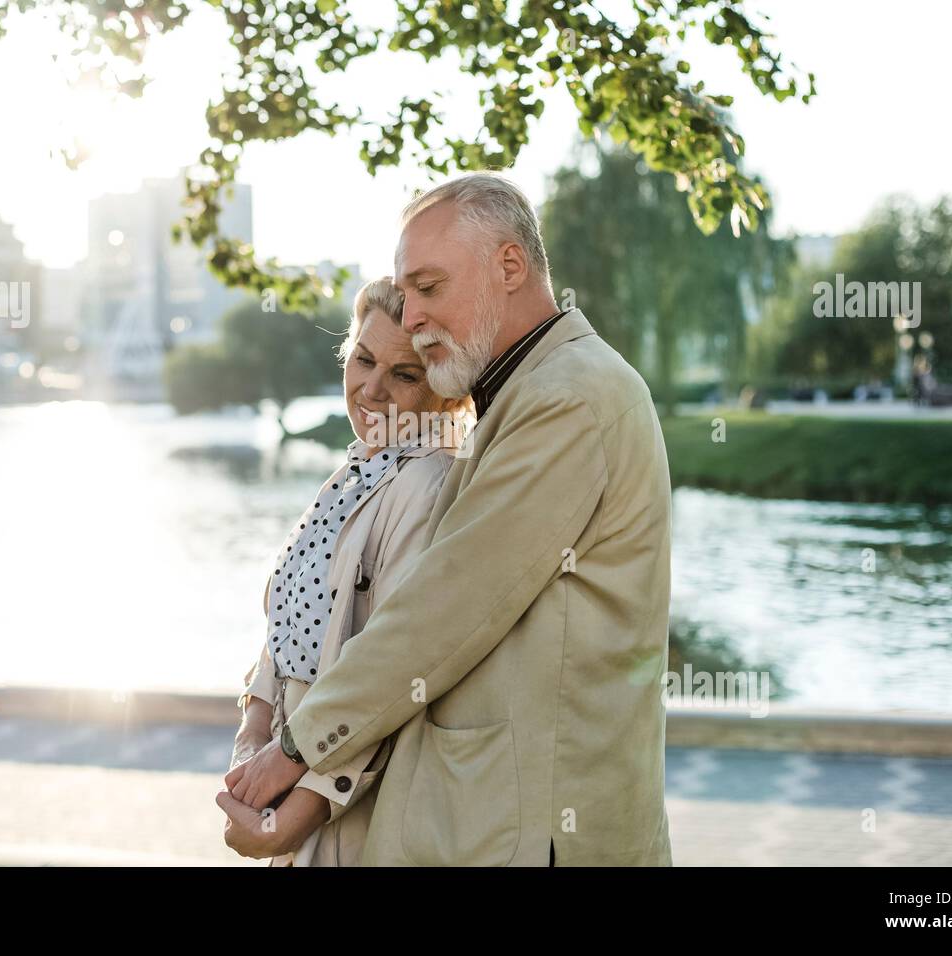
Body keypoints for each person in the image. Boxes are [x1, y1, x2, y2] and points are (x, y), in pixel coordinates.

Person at [223, 172, 674, 866]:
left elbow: (445, 606)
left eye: (430, 290)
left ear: (510, 266)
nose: (411, 320)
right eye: (405, 299)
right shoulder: (527, 392)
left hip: (539, 833)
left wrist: (292, 753)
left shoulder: (568, 398)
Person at [217, 277, 470, 865]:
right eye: (362, 360)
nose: (371, 389)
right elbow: (289, 621)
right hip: (283, 771)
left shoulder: (427, 484)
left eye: (403, 375)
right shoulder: (360, 467)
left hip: (345, 805)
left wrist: (292, 814)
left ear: (445, 390)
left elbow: (392, 670)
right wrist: (252, 736)